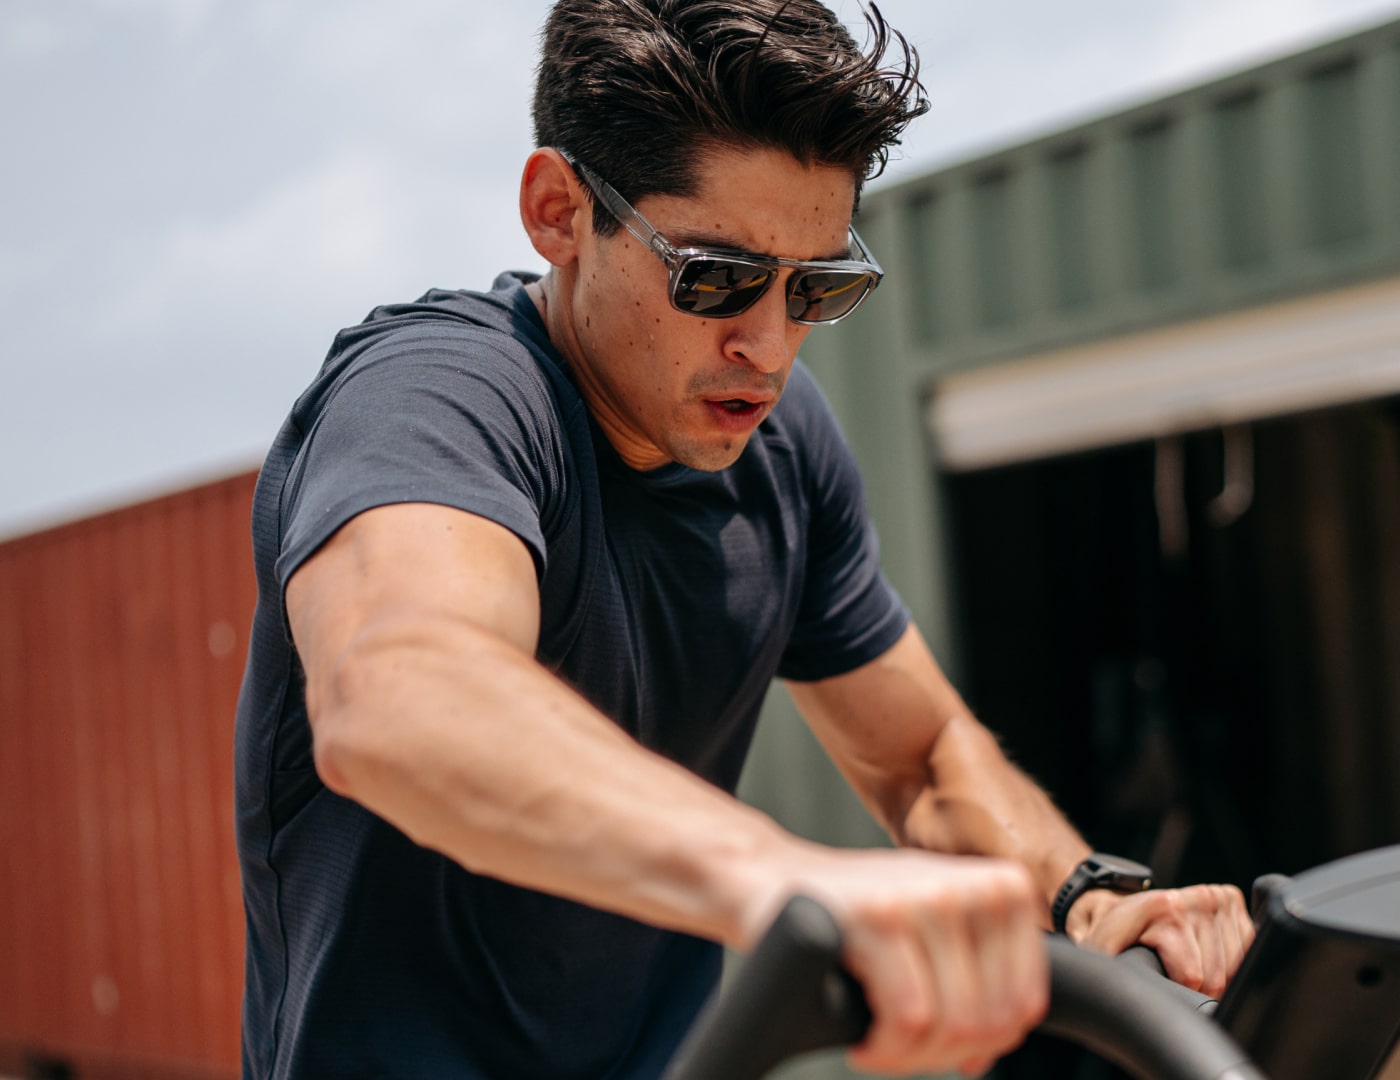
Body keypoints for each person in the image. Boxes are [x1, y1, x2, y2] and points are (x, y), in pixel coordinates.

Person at [234, 2, 1254, 1077]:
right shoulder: (434, 395)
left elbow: (918, 757)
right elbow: (400, 692)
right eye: (713, 277)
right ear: (558, 212)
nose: (767, 347)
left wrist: (1083, 897)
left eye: (817, 287)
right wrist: (780, 881)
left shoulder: (780, 446)